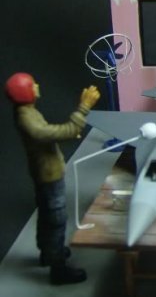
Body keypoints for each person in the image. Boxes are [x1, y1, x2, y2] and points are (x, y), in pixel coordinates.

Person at [5, 72, 100, 285]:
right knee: (56, 219)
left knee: (47, 215)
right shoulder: (27, 119)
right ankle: (58, 269)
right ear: (25, 92)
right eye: (32, 85)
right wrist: (84, 108)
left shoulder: (27, 112)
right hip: (48, 175)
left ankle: (48, 253)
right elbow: (62, 132)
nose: (37, 86)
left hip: (45, 171)